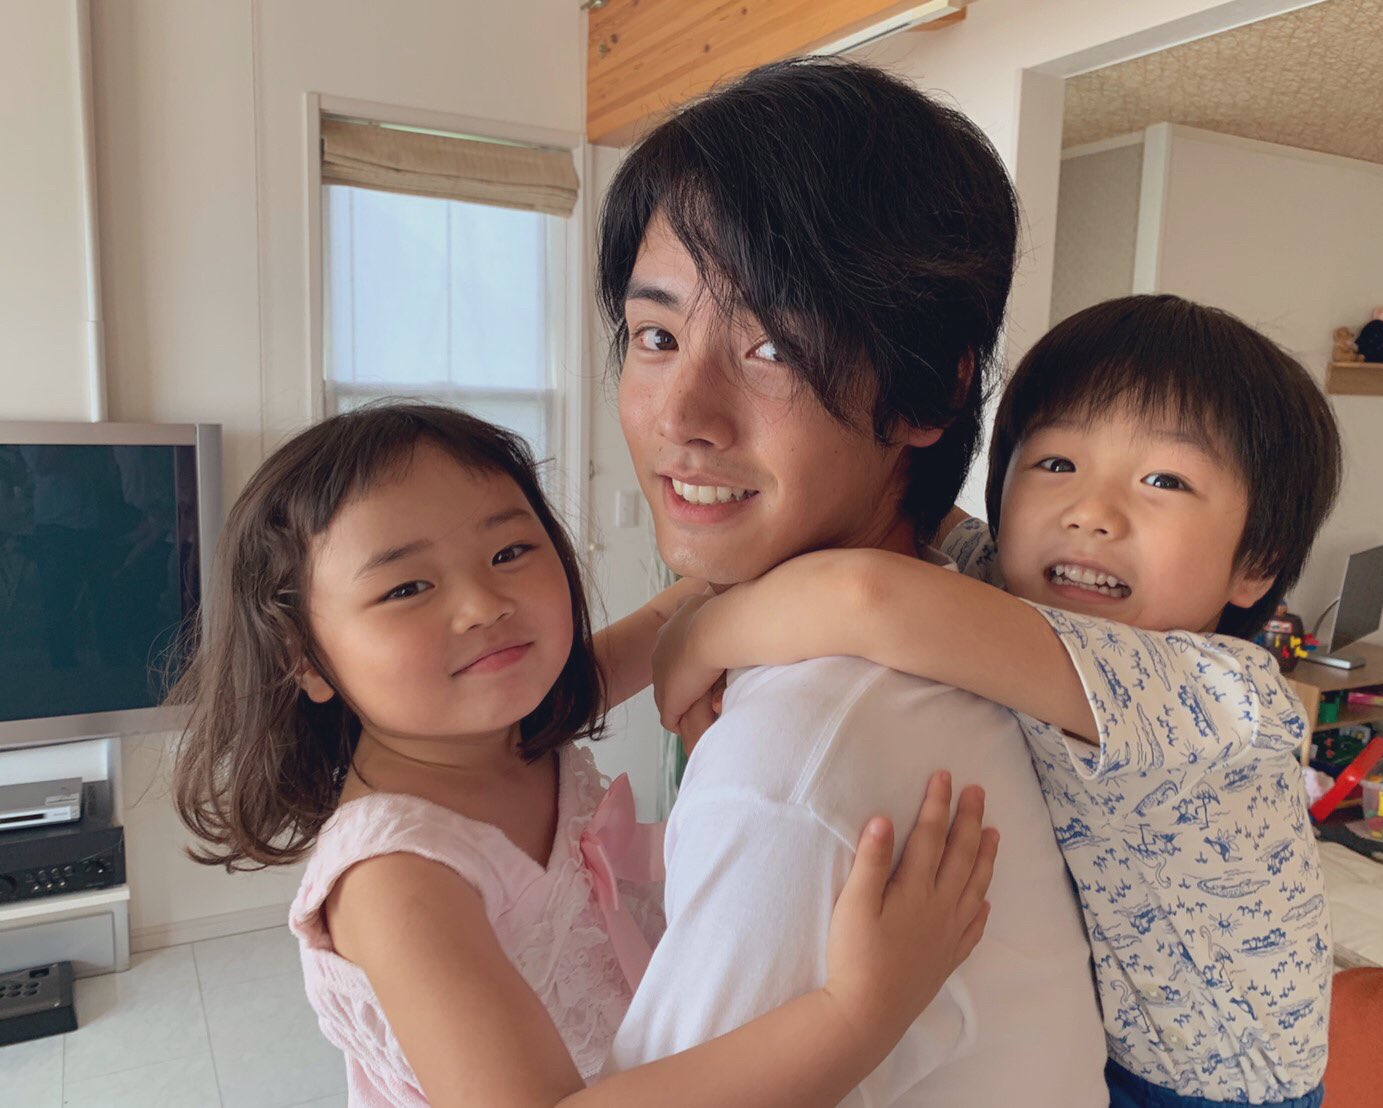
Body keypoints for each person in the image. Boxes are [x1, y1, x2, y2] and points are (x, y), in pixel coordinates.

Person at [169, 403, 1000, 1108]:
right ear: (303, 657)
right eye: (407, 588)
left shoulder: (518, 724)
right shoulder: (397, 879)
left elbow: (684, 611)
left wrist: (843, 539)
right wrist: (859, 1010)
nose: (483, 604)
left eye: (509, 552)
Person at [654, 295, 1342, 1107]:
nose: (1091, 514)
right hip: (1107, 1032)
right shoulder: (1010, 589)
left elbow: (867, 595)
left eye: (1164, 480)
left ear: (1256, 563)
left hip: (1215, 1091)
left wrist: (697, 641)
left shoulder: (1215, 695)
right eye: (1056, 464)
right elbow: (867, 523)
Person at [599, 57, 1106, 1104]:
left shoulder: (796, 766)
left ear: (927, 390)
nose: (679, 415)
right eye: (656, 335)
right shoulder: (962, 616)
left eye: (773, 347)